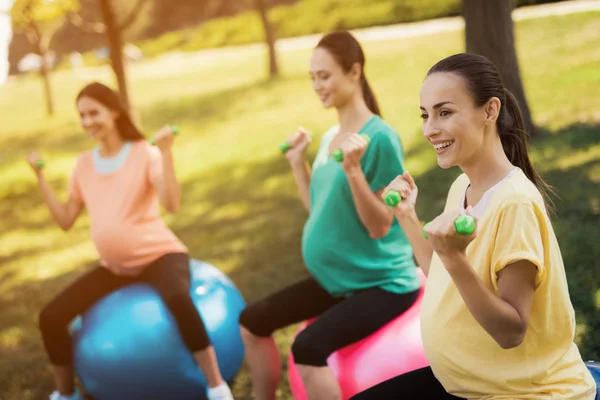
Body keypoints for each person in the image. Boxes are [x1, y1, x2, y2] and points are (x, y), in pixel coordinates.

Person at [352, 53, 597, 399]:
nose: (429, 129)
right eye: (425, 115)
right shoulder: (462, 188)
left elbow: (511, 331)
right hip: (472, 386)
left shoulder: (514, 203)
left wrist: (454, 258)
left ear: (490, 111)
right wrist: (407, 217)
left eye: (444, 112)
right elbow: (443, 276)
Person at [238, 30, 422, 400]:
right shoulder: (330, 137)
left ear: (354, 72)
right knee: (251, 322)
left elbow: (379, 225)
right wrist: (297, 166)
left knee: (307, 349)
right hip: (338, 279)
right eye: (313, 78)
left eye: (325, 76)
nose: (317, 85)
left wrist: (353, 170)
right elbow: (321, 212)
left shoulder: (379, 138)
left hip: (382, 283)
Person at [27, 82, 234, 400]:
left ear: (114, 111)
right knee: (51, 316)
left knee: (178, 298)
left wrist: (166, 154)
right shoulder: (83, 164)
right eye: (82, 115)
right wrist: (40, 179)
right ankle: (66, 394)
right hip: (115, 267)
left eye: (94, 113)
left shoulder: (143, 153)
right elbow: (66, 220)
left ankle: (216, 386)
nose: (87, 122)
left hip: (160, 255)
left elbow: (172, 203)